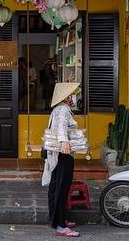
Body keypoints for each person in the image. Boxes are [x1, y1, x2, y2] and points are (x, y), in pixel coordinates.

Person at [42, 82, 81, 237]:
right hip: (63, 152)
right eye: (71, 95)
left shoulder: (58, 109)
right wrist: (64, 141)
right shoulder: (63, 110)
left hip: (56, 152)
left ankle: (57, 218)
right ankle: (59, 225)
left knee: (55, 186)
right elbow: (61, 128)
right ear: (65, 97)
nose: (73, 97)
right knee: (61, 187)